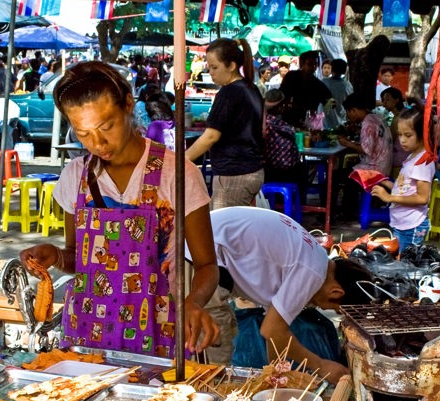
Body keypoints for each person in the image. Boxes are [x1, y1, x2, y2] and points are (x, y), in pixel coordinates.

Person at [18, 61, 219, 358]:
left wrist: (194, 301)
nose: (98, 143)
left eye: (106, 126)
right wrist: (56, 255)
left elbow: (207, 266)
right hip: (86, 334)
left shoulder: (177, 174)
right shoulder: (76, 176)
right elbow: (79, 260)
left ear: (128, 104)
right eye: (83, 134)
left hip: (158, 335)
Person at [199, 207, 372, 381]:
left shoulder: (317, 259)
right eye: (333, 308)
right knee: (216, 360)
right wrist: (322, 366)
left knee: (220, 345)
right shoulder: (312, 272)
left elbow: (274, 332)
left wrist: (275, 375)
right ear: (336, 292)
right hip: (201, 252)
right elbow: (272, 330)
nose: (320, 307)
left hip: (211, 246)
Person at [185, 38, 264, 209]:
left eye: (215, 67)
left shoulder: (229, 92)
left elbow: (211, 136)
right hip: (250, 170)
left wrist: (183, 160)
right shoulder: (251, 88)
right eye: (209, 67)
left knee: (225, 232)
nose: (211, 72)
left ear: (232, 66)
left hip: (234, 174)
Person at [371, 108, 434, 254]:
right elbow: (406, 189)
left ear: (423, 134)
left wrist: (389, 197)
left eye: (408, 135)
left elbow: (422, 197)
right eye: (400, 135)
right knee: (400, 263)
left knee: (409, 266)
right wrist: (386, 183)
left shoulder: (422, 162)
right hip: (403, 224)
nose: (402, 140)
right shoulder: (412, 156)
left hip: (412, 226)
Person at [336, 92, 393, 218]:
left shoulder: (368, 123)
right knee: (347, 172)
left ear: (354, 110)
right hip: (384, 165)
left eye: (348, 112)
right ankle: (349, 210)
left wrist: (347, 143)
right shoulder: (376, 118)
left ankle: (345, 213)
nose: (349, 116)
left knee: (337, 176)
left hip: (375, 168)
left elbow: (365, 150)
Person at [262, 89, 305, 197]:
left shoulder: (261, 118)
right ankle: (299, 204)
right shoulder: (276, 123)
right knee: (302, 169)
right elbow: (292, 134)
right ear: (280, 106)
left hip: (266, 168)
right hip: (281, 169)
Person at [279, 50, 333, 128]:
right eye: (310, 64)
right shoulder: (291, 77)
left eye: (315, 64)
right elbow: (281, 94)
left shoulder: (318, 84)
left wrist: (319, 113)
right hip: (288, 121)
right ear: (302, 64)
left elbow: (332, 103)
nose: (313, 67)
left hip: (308, 124)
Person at [321, 59, 353, 128]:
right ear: (344, 71)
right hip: (341, 123)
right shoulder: (347, 85)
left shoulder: (324, 82)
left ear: (332, 68)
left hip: (324, 123)